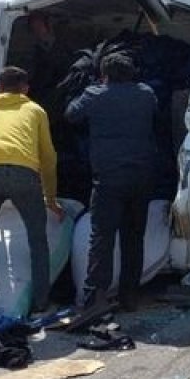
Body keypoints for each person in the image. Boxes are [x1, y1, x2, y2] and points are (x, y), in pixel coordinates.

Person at [0, 66, 63, 325]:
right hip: (24, 174)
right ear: (26, 88)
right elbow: (48, 157)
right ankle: (41, 305)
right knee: (37, 240)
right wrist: (51, 198)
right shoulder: (35, 110)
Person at [65, 53, 158, 313]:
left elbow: (71, 115)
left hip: (108, 178)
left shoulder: (95, 95)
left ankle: (96, 297)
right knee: (133, 237)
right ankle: (130, 297)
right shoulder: (146, 93)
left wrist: (90, 88)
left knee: (102, 237)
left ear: (104, 75)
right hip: (141, 176)